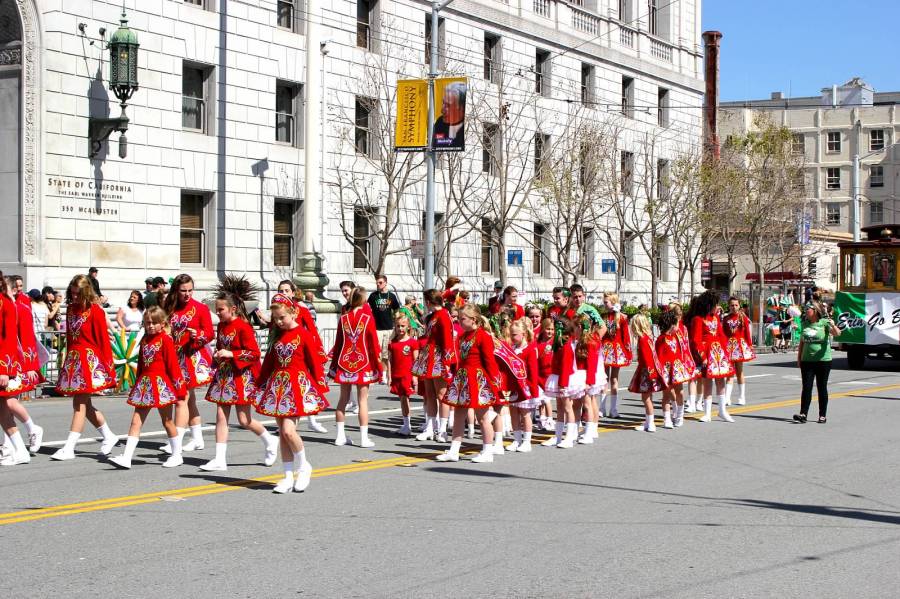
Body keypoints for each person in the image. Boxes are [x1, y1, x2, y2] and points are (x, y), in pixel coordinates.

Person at [200, 278, 280, 472]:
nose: (218, 313)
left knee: (244, 420)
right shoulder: (222, 326)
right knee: (221, 416)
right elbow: (222, 346)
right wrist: (218, 355)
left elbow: (254, 353)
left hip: (241, 378)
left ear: (233, 309)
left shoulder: (243, 327)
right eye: (216, 310)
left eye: (221, 310)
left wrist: (232, 354)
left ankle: (270, 439)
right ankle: (220, 459)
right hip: (224, 377)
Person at [255, 293, 329, 494]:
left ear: (293, 313)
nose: (279, 322)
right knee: (282, 434)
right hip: (278, 387)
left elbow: (314, 362)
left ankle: (304, 466)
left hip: (297, 387)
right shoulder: (276, 335)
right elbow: (268, 363)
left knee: (289, 431)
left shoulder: (303, 334)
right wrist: (259, 385)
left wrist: (319, 387)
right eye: (276, 318)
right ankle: (288, 476)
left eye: (282, 317)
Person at [51, 274, 119, 460]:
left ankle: (69, 447)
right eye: (72, 293)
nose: (74, 297)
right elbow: (70, 338)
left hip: (89, 362)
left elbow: (102, 341)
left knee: (79, 403)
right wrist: (67, 362)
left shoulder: (96, 311)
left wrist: (108, 368)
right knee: (85, 404)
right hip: (74, 360)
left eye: (78, 294)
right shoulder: (70, 309)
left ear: (86, 292)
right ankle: (109, 436)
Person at [109, 306, 186, 469]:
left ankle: (177, 455)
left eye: (153, 323)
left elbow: (173, 366)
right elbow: (141, 365)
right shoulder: (144, 340)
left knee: (167, 421)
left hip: (161, 385)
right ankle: (127, 457)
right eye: (147, 323)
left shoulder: (165, 340)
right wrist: (137, 384)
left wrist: (180, 389)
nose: (150, 326)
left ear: (162, 323)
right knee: (135, 421)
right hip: (144, 385)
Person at [436, 304, 505, 463]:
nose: (459, 321)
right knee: (459, 416)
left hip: (477, 380)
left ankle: (487, 451)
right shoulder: (462, 337)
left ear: (473, 319)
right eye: (459, 319)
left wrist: (496, 382)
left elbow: (490, 361)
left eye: (462, 319)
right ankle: (454, 451)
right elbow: (459, 358)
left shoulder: (483, 336)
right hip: (463, 378)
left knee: (483, 418)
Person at [161, 274, 214, 453]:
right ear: (176, 290)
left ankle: (176, 440)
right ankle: (197, 438)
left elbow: (209, 333)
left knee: (182, 398)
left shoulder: (200, 308)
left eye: (190, 290)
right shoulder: (169, 307)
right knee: (188, 400)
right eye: (183, 290)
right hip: (174, 358)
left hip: (191, 358)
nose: (187, 294)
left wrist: (197, 335)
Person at [329, 287, 382, 448]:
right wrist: (378, 364)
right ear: (363, 299)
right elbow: (374, 344)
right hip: (363, 362)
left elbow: (338, 344)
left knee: (342, 400)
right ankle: (364, 439)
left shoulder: (343, 318)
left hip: (344, 363)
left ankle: (339, 437)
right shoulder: (367, 318)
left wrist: (334, 365)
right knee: (362, 401)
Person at [0, 275, 43, 465]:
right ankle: (13, 446)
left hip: (12, 363)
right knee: (4, 406)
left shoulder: (18, 307)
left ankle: (28, 433)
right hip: (8, 363)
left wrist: (29, 366)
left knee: (8, 403)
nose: (17, 289)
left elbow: (22, 338)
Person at [411, 289, 457, 442]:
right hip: (429, 357)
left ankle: (442, 430)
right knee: (429, 394)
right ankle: (430, 428)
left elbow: (447, 340)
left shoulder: (443, 315)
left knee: (441, 395)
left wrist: (447, 362)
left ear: (428, 301)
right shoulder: (433, 316)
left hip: (439, 358)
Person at [690, 290, 735, 423]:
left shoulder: (715, 318)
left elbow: (721, 336)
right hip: (707, 355)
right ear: (709, 305)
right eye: (715, 304)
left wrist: (726, 353)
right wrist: (702, 357)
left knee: (721, 382)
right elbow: (696, 340)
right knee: (707, 383)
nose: (717, 307)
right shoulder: (698, 319)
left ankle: (722, 411)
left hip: (718, 354)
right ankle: (707, 413)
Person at [541, 318, 587, 449]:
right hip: (558, 377)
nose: (553, 332)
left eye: (555, 329)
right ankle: (558, 436)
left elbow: (566, 366)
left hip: (564, 379)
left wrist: (563, 384)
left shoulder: (566, 345)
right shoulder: (559, 343)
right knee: (560, 408)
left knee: (567, 408)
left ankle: (570, 437)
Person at [793, 301, 840, 424]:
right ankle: (803, 414)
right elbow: (802, 342)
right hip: (807, 360)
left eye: (808, 308)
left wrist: (833, 325)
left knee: (821, 387)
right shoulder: (805, 323)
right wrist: (799, 358)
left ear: (815, 310)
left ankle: (822, 415)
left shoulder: (824, 322)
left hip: (823, 361)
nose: (805, 311)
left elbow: (837, 333)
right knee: (806, 388)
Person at [504, 319, 540, 453]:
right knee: (513, 413)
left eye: (514, 335)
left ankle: (527, 441)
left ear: (523, 334)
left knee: (525, 414)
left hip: (525, 387)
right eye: (511, 334)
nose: (512, 337)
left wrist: (533, 390)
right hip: (513, 387)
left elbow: (533, 371)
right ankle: (517, 439)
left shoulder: (530, 349)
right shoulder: (512, 349)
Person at [629, 313, 667, 433]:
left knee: (646, 398)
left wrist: (651, 374)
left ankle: (650, 423)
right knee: (648, 397)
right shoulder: (648, 337)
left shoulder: (642, 339)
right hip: (649, 370)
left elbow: (647, 358)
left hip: (646, 371)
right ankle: (648, 421)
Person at [655, 310, 690, 428]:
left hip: (677, 369)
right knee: (666, 395)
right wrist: (660, 372)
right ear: (672, 325)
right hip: (666, 370)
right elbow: (658, 357)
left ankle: (679, 416)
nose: (678, 326)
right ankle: (667, 419)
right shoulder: (661, 339)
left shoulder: (677, 337)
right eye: (676, 324)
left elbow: (682, 351)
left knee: (680, 392)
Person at [600, 292, 631, 419]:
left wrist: (628, 352)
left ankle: (613, 409)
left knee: (614, 379)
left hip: (617, 351)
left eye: (606, 302)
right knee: (604, 379)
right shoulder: (602, 316)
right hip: (605, 350)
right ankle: (602, 408)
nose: (604, 304)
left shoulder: (622, 318)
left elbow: (626, 336)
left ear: (613, 302)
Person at [388, 315, 418, 436]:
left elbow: (416, 361)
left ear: (408, 327)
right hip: (397, 375)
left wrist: (415, 376)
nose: (400, 328)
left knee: (405, 399)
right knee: (402, 399)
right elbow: (390, 361)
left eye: (403, 326)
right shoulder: (392, 343)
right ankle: (406, 424)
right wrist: (389, 376)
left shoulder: (412, 342)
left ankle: (407, 425)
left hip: (407, 375)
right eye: (398, 326)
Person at [722, 297, 756, 406]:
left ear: (739, 306)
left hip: (739, 347)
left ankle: (742, 396)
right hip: (729, 347)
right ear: (729, 306)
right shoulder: (725, 318)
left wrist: (750, 345)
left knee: (739, 372)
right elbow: (723, 333)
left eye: (736, 305)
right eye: (732, 305)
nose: (734, 307)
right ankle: (727, 398)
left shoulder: (742, 317)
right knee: (729, 373)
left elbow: (747, 333)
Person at [367, 275, 401, 380]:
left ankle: (385, 374)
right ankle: (377, 372)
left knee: (386, 353)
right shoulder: (373, 296)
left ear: (386, 283)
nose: (378, 284)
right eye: (377, 283)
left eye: (380, 282)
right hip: (376, 328)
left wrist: (397, 324)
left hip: (389, 328)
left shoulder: (392, 296)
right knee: (377, 352)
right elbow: (367, 309)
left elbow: (396, 311)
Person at [431, 82, 466, 149]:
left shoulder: (466, 128)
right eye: (443, 103)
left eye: (448, 105)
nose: (442, 110)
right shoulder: (439, 123)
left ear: (461, 108)